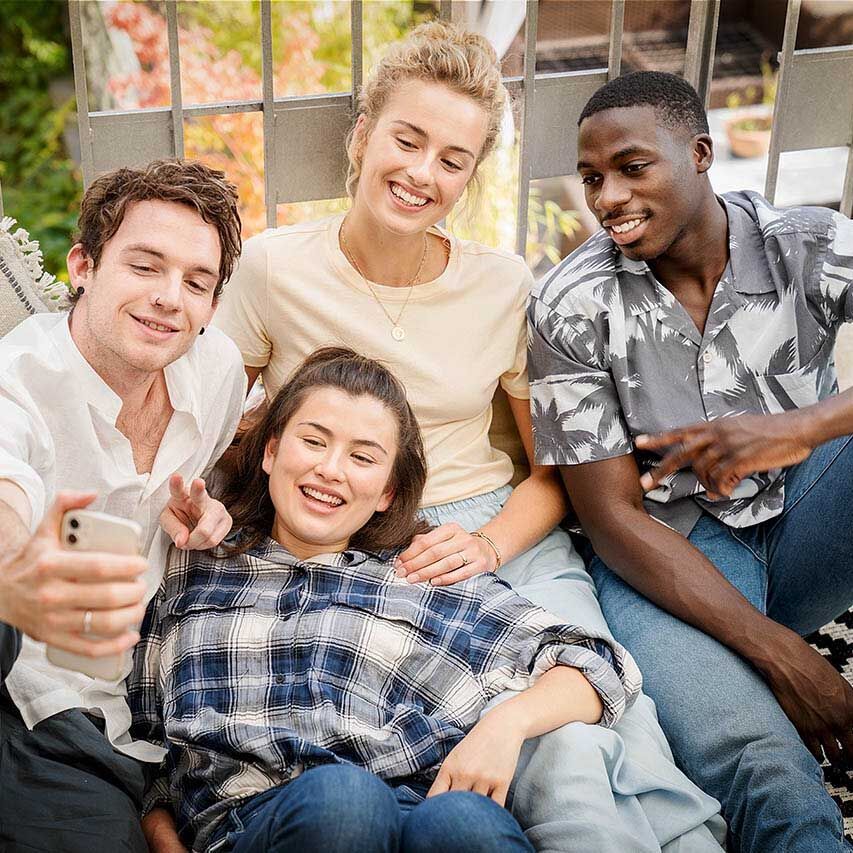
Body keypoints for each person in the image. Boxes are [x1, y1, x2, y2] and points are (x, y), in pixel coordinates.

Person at [215, 20, 725, 853]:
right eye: (406, 140)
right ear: (362, 135)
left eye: (451, 160)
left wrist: (487, 545)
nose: (420, 173)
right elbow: (211, 424)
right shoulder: (274, 268)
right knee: (488, 747)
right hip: (362, 532)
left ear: (468, 178)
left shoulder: (502, 282)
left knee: (589, 734)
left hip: (500, 527)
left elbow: (552, 469)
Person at [129, 346, 643, 853]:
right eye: (313, 441)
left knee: (464, 822)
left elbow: (598, 664)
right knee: (345, 801)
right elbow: (146, 748)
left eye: (362, 458)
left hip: (417, 813)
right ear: (270, 452)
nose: (332, 469)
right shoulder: (195, 569)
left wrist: (505, 726)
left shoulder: (421, 578)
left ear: (387, 493)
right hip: (257, 821)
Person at [527, 70, 853, 853]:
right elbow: (609, 520)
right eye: (590, 178)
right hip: (667, 561)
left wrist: (802, 428)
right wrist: (785, 659)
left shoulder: (806, 243)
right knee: (764, 763)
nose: (605, 197)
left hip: (808, 516)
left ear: (700, 154)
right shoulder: (569, 304)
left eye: (632, 167)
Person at [0, 160, 248, 853]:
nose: (171, 298)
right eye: (145, 266)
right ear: (83, 265)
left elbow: (222, 462)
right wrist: (16, 570)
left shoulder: (217, 367)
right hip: (42, 704)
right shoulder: (20, 379)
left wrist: (211, 508)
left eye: (197, 282)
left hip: (165, 702)